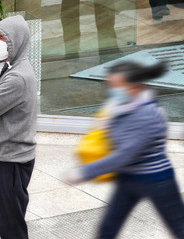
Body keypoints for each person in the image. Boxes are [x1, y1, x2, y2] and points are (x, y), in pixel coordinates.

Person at [65, 61, 184, 238]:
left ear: (134, 87)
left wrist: (84, 172)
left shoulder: (148, 114)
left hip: (156, 180)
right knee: (108, 228)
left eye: (115, 86)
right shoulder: (120, 108)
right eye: (110, 85)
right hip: (128, 178)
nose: (112, 90)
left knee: (179, 227)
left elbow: (124, 155)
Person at [0, 15, 37, 239]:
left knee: (10, 225)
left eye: (2, 37)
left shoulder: (16, 78)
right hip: (4, 155)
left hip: (13, 159)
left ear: (16, 41)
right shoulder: (5, 67)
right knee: (2, 219)